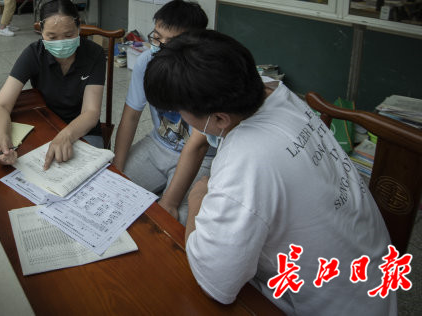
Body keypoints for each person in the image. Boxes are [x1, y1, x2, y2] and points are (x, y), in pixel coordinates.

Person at [143, 29, 396, 316]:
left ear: (220, 118)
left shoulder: (247, 160)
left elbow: (215, 281)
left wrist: (198, 198)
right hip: (374, 281)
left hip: (327, 305)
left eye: (181, 111)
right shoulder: (271, 91)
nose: (183, 119)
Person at [112, 0, 214, 225]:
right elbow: (131, 116)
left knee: (177, 222)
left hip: (202, 158)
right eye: (157, 38)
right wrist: (117, 169)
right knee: (111, 191)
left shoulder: (206, 74)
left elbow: (199, 146)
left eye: (173, 42)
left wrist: (169, 203)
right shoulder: (146, 62)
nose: (161, 47)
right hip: (158, 144)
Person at [0, 0, 105, 169]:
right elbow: (1, 105)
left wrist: (66, 135)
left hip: (83, 130)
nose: (61, 43)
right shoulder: (34, 54)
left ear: (79, 27)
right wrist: (3, 138)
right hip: (46, 125)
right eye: (52, 37)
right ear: (41, 32)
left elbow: (91, 112)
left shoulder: (94, 54)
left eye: (69, 35)